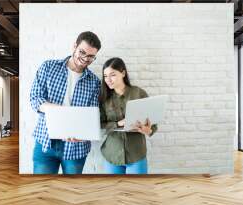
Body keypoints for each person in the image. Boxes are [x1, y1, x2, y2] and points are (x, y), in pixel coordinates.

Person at [30, 31, 101, 174]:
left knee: (71, 193)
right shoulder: (48, 67)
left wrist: (83, 133)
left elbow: (92, 116)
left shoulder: (94, 82)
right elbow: (35, 99)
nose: (85, 59)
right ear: (74, 46)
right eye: (82, 52)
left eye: (91, 56)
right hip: (45, 142)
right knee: (42, 191)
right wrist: (60, 112)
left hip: (76, 148)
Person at [99, 57, 157, 174]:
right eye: (105, 76)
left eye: (112, 75)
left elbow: (153, 123)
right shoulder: (104, 98)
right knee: (114, 191)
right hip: (112, 154)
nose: (108, 79)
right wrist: (118, 123)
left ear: (123, 73)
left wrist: (148, 130)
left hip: (136, 154)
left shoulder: (139, 93)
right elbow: (100, 124)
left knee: (136, 190)